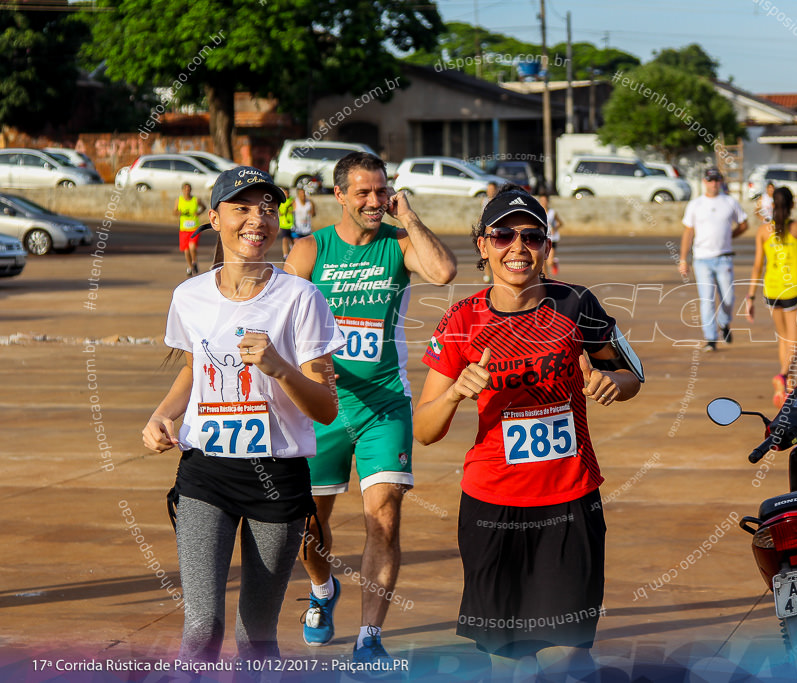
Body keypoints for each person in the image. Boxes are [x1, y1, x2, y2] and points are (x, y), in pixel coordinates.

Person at [412, 185, 642, 681]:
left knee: (570, 656)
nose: (517, 247)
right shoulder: (461, 320)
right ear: (482, 245)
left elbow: (632, 376)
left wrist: (608, 383)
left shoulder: (577, 303)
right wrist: (454, 393)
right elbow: (424, 430)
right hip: (492, 505)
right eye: (502, 235)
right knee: (507, 660)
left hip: (570, 501)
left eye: (532, 236)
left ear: (546, 245)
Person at [142, 166, 344, 661]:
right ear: (214, 218)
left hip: (277, 479)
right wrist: (160, 416)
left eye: (268, 209)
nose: (258, 219)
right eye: (242, 207)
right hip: (206, 472)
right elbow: (194, 372)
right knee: (201, 629)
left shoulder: (302, 298)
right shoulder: (189, 296)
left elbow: (325, 408)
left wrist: (280, 368)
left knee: (257, 636)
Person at [285, 152, 457, 659]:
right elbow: (281, 317)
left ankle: (369, 637)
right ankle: (321, 592)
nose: (374, 201)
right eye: (363, 192)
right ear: (338, 195)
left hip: (385, 404)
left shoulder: (398, 243)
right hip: (322, 407)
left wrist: (408, 216)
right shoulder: (310, 249)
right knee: (309, 525)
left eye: (382, 191)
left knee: (383, 517)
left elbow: (444, 272)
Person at [743, 186, 797, 408]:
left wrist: (750, 296)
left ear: (773, 205)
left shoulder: (763, 230)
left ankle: (788, 385)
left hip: (772, 290)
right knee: (795, 342)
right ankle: (783, 375)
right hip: (793, 288)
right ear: (792, 205)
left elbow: (758, 265)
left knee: (783, 338)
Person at [678, 168, 749, 352]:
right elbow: (688, 232)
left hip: (724, 258)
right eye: (710, 180)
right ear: (704, 181)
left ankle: (724, 323)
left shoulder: (730, 202)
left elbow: (744, 224)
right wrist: (683, 259)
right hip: (702, 259)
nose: (714, 183)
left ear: (721, 181)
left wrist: (730, 237)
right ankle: (711, 338)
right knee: (707, 300)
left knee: (728, 297)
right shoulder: (695, 204)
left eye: (717, 180)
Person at [174, 183, 206, 277]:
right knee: (186, 250)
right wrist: (179, 212)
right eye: (185, 189)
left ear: (191, 190)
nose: (187, 191)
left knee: (192, 246)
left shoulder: (196, 200)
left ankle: (194, 262)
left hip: (194, 228)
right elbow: (174, 211)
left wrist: (199, 212)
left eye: (188, 189)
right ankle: (190, 267)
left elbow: (204, 207)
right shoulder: (179, 200)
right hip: (184, 229)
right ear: (182, 190)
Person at [538, 192, 563, 276]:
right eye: (542, 200)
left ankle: (554, 262)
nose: (543, 202)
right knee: (543, 261)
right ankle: (546, 279)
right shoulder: (538, 212)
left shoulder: (552, 212)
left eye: (545, 200)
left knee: (549, 262)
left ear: (548, 201)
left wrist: (554, 228)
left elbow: (560, 223)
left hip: (552, 238)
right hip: (542, 237)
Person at [482, 181, 498, 283]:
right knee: (486, 254)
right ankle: (487, 275)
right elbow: (482, 215)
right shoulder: (484, 201)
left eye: (492, 189)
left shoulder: (498, 202)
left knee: (495, 256)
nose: (490, 191)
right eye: (489, 189)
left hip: (496, 233)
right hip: (486, 231)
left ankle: (496, 275)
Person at [279, 188, 295, 259]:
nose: (286, 195)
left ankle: (293, 250)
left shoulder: (292, 200)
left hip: (292, 223)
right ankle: (285, 255)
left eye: (287, 193)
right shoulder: (280, 201)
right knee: (284, 239)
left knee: (292, 239)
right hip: (284, 223)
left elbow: (295, 208)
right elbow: (279, 212)